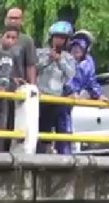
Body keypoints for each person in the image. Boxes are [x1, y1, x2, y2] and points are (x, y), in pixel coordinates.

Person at [56, 30, 103, 155]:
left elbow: (91, 81)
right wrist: (69, 91)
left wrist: (99, 95)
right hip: (56, 95)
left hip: (68, 101)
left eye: (80, 48)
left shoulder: (88, 63)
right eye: (74, 46)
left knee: (65, 127)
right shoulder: (63, 57)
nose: (76, 50)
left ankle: (65, 156)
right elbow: (62, 77)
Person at [35, 21, 76, 154]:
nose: (59, 40)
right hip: (41, 96)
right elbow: (34, 68)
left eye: (62, 38)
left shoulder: (69, 58)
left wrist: (60, 60)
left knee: (61, 130)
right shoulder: (40, 53)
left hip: (58, 98)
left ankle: (60, 154)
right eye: (57, 37)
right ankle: (39, 153)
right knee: (40, 129)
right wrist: (49, 59)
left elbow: (71, 75)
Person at [0, 7, 36, 85]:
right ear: (5, 20)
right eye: (10, 18)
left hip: (18, 85)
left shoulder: (27, 41)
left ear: (22, 21)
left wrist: (32, 85)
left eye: (16, 18)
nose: (13, 21)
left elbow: (30, 65)